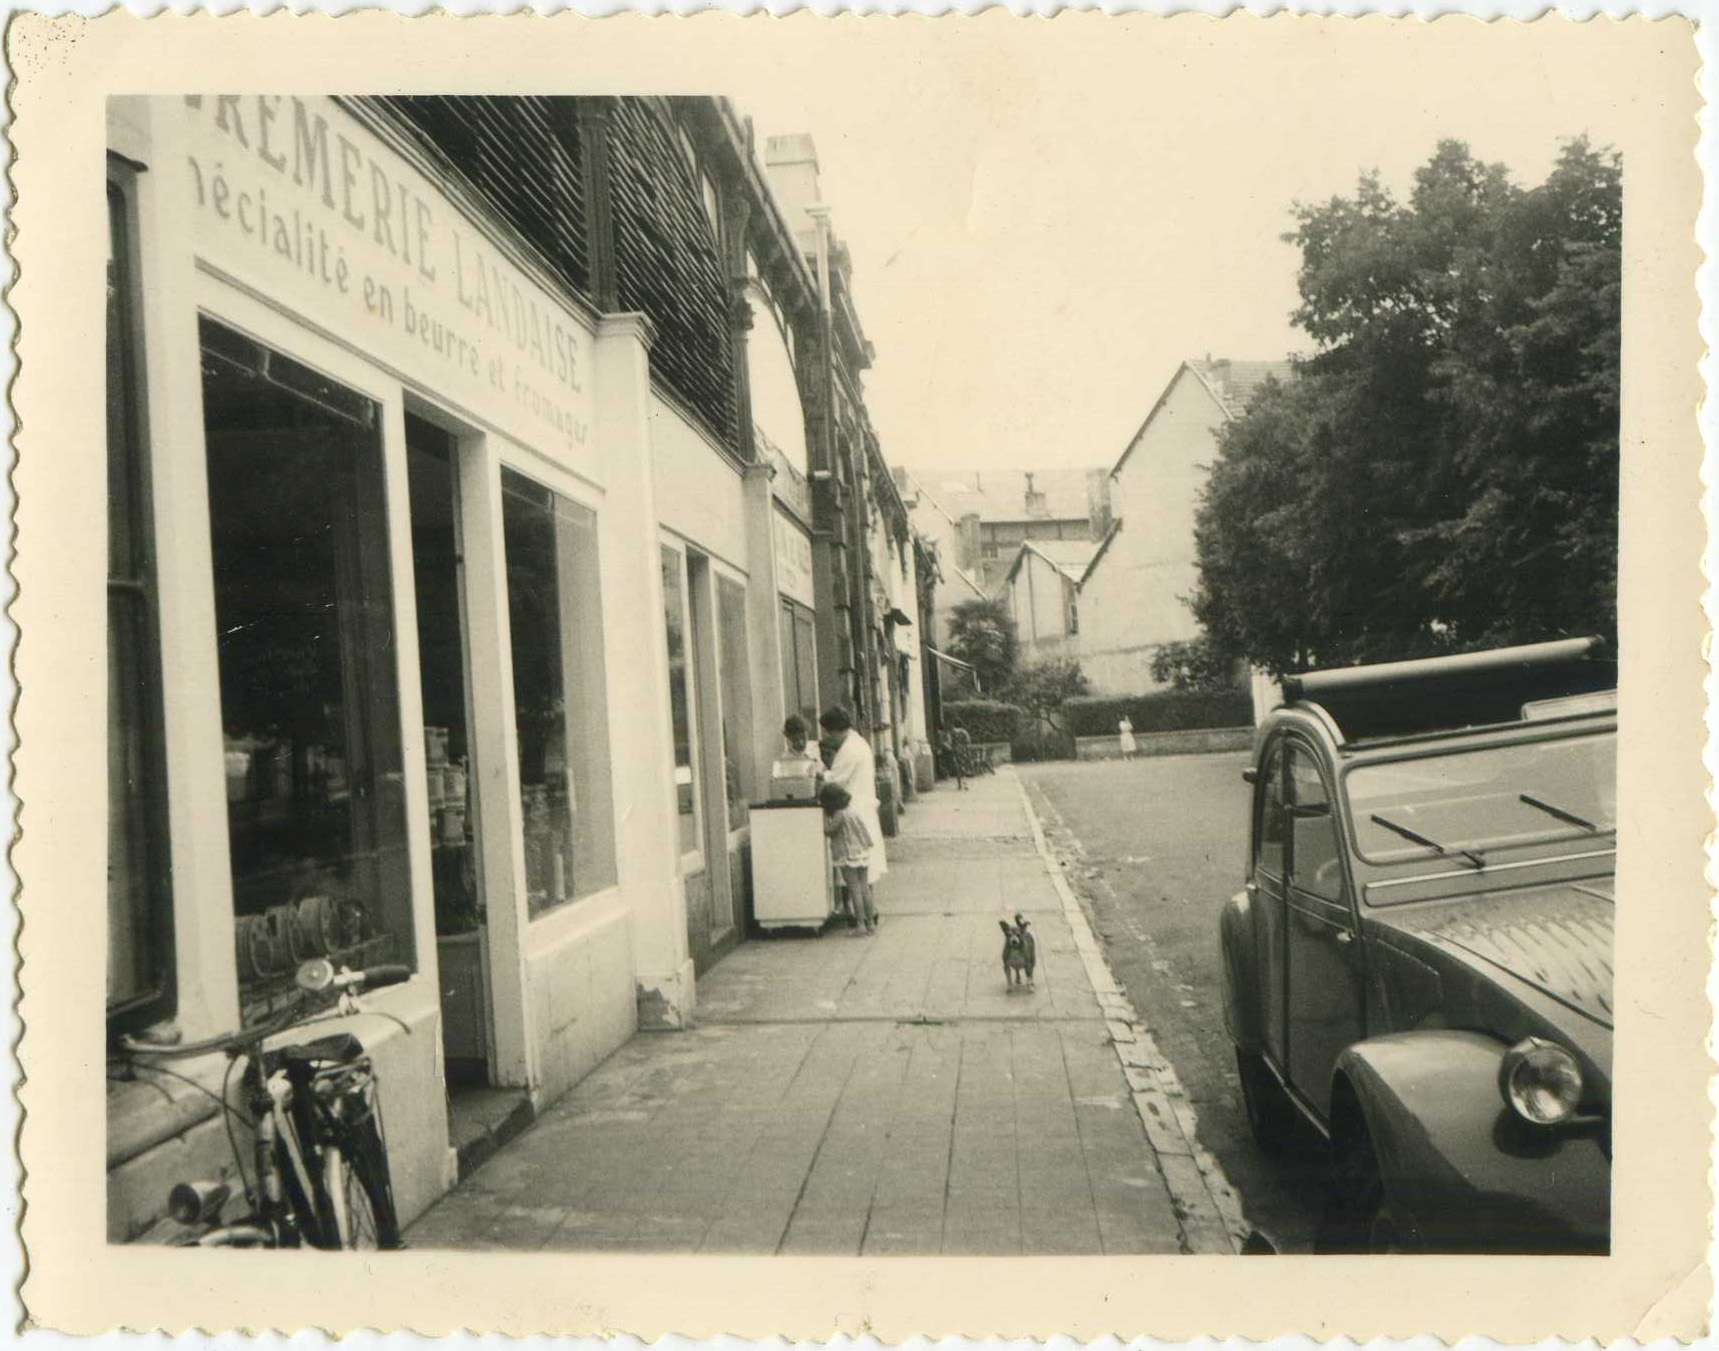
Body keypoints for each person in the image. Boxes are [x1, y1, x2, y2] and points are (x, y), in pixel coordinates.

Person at [818, 705, 888, 885]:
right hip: (861, 811)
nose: (830, 737)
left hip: (853, 812)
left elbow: (835, 780)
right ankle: (867, 909)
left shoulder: (849, 749)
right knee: (865, 871)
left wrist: (820, 776)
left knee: (855, 873)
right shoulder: (859, 742)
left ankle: (859, 911)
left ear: (836, 729)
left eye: (830, 732)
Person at [819, 781, 877, 935]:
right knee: (865, 889)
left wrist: (824, 815)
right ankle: (870, 924)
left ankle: (860, 925)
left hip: (848, 856)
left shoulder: (839, 815)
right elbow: (863, 831)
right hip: (862, 854)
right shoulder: (852, 811)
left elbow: (828, 831)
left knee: (854, 890)